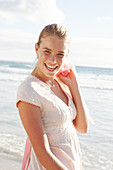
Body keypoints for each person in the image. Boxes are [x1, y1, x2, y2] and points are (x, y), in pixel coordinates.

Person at [16, 23, 89, 170]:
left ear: (67, 54)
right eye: (47, 51)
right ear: (37, 49)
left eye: (60, 54)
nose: (53, 60)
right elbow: (42, 153)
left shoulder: (61, 84)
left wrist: (75, 87)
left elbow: (82, 127)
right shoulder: (29, 90)